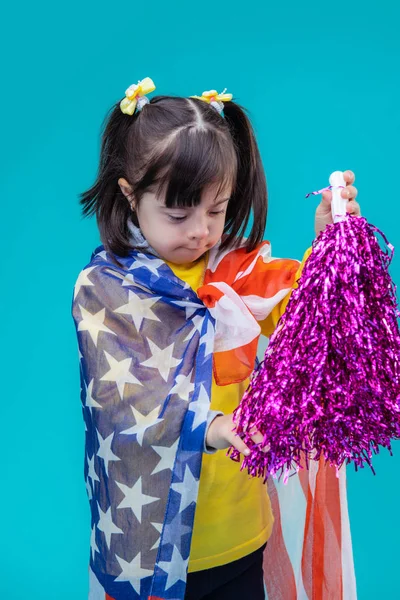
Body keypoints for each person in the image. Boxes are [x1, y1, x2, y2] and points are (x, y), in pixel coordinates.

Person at [72, 77, 361, 600]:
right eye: (179, 214)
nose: (202, 232)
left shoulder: (239, 270)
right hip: (153, 546)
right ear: (129, 194)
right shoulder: (106, 290)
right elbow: (122, 401)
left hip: (241, 530)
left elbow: (310, 324)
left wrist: (329, 246)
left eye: (217, 209)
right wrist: (211, 427)